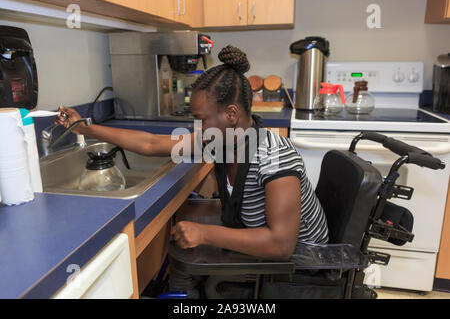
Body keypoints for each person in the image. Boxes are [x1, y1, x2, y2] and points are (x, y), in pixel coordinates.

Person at [55, 45, 329, 298]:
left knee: (186, 263)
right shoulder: (223, 139)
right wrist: (84, 127)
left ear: (231, 114)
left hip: (299, 268)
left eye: (201, 119)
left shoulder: (275, 157)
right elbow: (150, 144)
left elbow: (281, 246)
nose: (197, 127)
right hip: (266, 248)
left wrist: (205, 234)